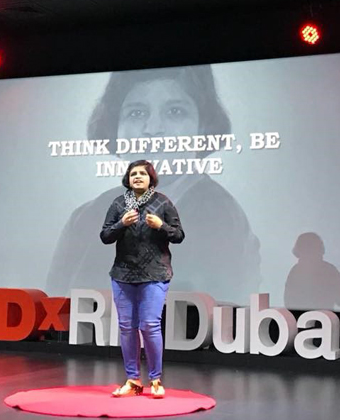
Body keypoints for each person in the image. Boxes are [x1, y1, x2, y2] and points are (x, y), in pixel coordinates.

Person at [46, 65, 262, 306]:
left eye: (175, 112)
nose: (153, 129)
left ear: (203, 127)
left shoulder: (221, 217)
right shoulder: (85, 217)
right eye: (136, 113)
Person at [101, 160, 184, 398]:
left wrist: (161, 225)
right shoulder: (119, 203)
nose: (137, 177)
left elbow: (178, 235)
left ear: (151, 178)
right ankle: (133, 380)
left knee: (149, 325)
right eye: (133, 174)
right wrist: (121, 224)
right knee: (127, 327)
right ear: (128, 179)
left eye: (142, 173)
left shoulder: (163, 202)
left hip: (155, 273)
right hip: (123, 273)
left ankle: (155, 380)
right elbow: (105, 236)